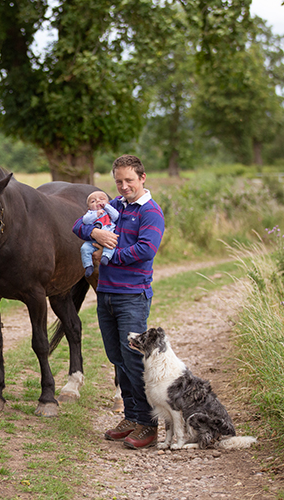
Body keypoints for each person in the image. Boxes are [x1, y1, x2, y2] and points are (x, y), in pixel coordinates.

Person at [72, 154, 165, 449]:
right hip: (107, 293)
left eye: (129, 180)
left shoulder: (151, 212)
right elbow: (78, 226)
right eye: (118, 181)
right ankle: (130, 416)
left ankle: (148, 425)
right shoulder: (115, 206)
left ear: (142, 178)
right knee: (117, 358)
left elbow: (145, 250)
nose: (123, 186)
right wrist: (94, 231)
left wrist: (107, 257)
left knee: (135, 360)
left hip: (132, 296)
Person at [79, 190, 120, 277]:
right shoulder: (90, 213)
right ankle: (88, 265)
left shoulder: (109, 211)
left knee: (111, 245)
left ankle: (105, 257)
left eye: (101, 199)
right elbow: (85, 221)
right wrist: (95, 214)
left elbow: (116, 216)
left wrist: (107, 207)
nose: (98, 201)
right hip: (93, 241)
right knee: (84, 248)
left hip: (109, 238)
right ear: (89, 208)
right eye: (93, 201)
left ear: (108, 203)